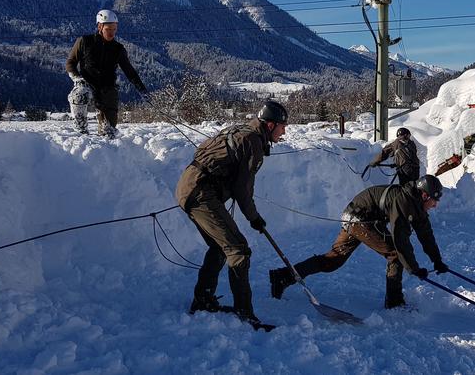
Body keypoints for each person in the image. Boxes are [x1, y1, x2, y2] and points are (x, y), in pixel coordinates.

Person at [175, 101, 288, 330]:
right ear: (270, 125)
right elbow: (243, 189)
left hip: (192, 189)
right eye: (282, 126)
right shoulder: (252, 141)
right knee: (238, 249)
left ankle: (203, 299)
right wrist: (254, 217)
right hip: (201, 194)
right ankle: (245, 314)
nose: (284, 131)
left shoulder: (243, 132)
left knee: (220, 246)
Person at [269, 174, 448, 309]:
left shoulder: (416, 205)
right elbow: (400, 240)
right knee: (395, 254)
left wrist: (437, 260)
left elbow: (426, 234)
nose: (435, 205)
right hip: (359, 219)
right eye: (434, 200)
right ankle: (394, 303)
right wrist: (413, 268)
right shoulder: (405, 202)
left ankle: (283, 276)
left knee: (334, 260)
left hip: (356, 218)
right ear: (425, 195)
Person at [65, 9, 148, 138]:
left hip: (107, 88)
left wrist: (143, 91)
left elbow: (129, 71)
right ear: (100, 26)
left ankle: (105, 139)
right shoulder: (84, 42)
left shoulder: (118, 49)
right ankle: (81, 130)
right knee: (79, 93)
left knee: (108, 133)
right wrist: (77, 78)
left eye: (114, 29)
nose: (112, 33)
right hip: (87, 84)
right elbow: (70, 62)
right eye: (109, 29)